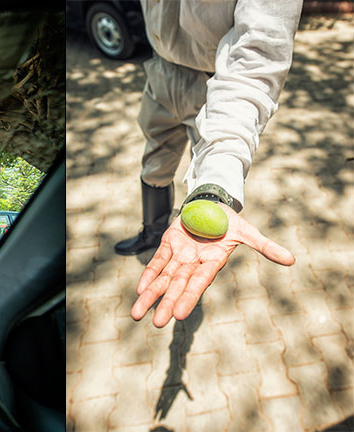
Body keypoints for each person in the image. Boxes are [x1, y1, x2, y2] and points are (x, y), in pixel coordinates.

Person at [117, 0, 302, 327]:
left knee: (201, 166)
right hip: (160, 71)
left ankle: (173, 239)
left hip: (216, 87)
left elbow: (256, 58)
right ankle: (152, 231)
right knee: (153, 163)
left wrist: (215, 188)